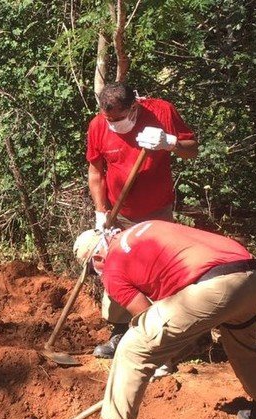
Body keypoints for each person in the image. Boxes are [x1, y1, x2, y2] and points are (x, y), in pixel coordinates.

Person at [68, 221, 256, 419]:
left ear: (97, 256)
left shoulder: (112, 266)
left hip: (213, 286)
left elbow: (146, 320)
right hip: (252, 277)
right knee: (244, 348)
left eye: (93, 269)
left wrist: (167, 355)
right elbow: (179, 275)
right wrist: (192, 337)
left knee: (132, 347)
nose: (97, 275)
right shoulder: (143, 228)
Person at [86, 81, 198, 358]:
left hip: (157, 213)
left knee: (157, 272)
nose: (113, 124)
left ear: (133, 107)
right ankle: (121, 332)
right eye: (108, 118)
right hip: (119, 214)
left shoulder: (161, 112)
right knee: (114, 268)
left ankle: (166, 338)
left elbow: (192, 149)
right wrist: (101, 212)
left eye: (119, 118)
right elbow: (96, 172)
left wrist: (169, 143)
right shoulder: (98, 125)